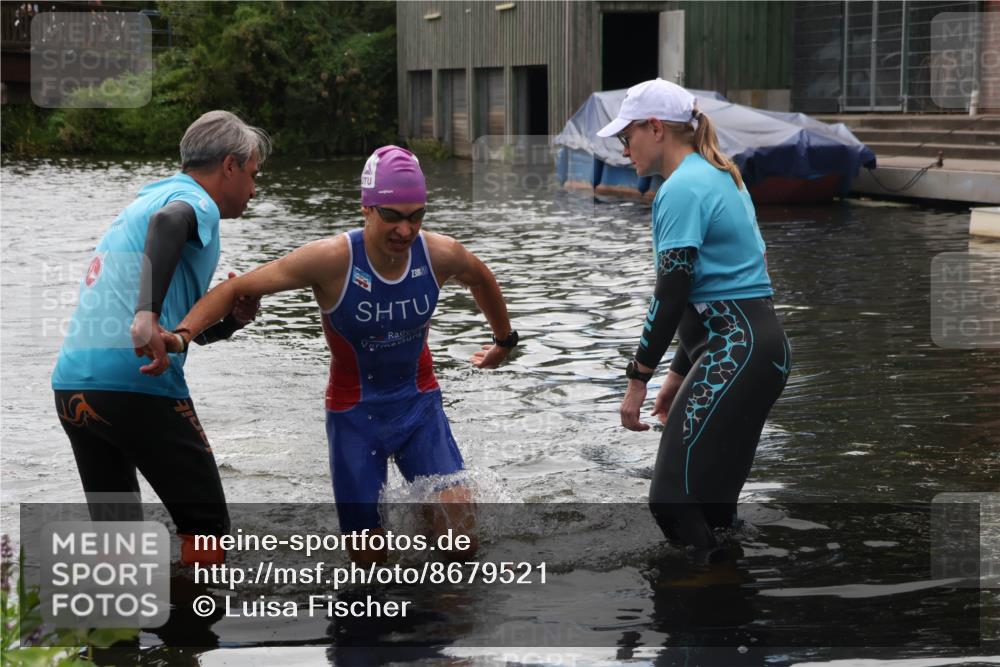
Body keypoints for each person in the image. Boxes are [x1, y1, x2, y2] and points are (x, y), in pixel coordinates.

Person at [143, 145, 518, 564]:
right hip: (355, 418)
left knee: (462, 545)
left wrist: (503, 342)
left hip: (418, 408)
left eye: (417, 216)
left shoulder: (439, 254)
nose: (405, 230)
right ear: (367, 209)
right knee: (369, 565)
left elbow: (481, 278)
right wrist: (179, 337)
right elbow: (235, 288)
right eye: (392, 216)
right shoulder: (332, 260)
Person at [51, 110, 271, 564]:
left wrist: (229, 321)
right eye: (252, 175)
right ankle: (191, 630)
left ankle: (117, 633)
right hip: (135, 384)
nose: (254, 190)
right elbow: (170, 224)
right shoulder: (191, 203)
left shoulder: (144, 200)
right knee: (207, 528)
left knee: (118, 538)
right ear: (229, 165)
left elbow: (176, 334)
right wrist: (146, 315)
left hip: (74, 384)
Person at [597, 79, 792, 549]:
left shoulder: (681, 189)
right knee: (712, 509)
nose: (626, 150)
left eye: (628, 137)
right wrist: (680, 372)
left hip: (733, 352)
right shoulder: (722, 175)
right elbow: (718, 289)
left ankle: (694, 601)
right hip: (759, 351)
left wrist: (639, 376)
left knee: (671, 501)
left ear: (656, 128)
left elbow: (672, 290)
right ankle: (725, 607)